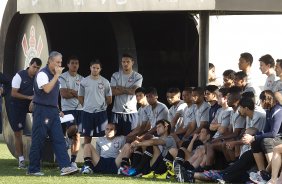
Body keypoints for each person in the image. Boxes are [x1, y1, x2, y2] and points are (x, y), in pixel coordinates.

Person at [28, 51, 78, 176]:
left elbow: (54, 96)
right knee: (38, 140)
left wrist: (58, 109)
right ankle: (33, 169)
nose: (60, 64)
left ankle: (65, 167)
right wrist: (57, 76)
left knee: (59, 139)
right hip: (41, 111)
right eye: (57, 62)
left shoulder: (55, 75)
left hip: (53, 111)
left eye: (61, 62)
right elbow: (46, 89)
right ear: (50, 61)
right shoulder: (42, 74)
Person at [10, 58, 42, 168]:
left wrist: (32, 100)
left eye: (38, 68)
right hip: (17, 105)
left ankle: (36, 158)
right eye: (34, 67)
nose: (35, 70)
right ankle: (21, 159)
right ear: (29, 65)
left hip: (31, 104)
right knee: (18, 133)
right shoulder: (19, 75)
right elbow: (13, 93)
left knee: (39, 127)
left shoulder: (39, 77)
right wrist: (28, 97)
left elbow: (41, 92)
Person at [78, 60, 112, 144]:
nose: (95, 70)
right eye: (93, 67)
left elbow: (109, 99)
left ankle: (102, 156)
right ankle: (87, 156)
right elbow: (80, 97)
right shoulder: (84, 81)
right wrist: (86, 106)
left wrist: (103, 107)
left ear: (100, 69)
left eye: (97, 68)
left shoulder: (105, 82)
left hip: (101, 113)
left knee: (102, 137)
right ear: (90, 68)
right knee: (87, 137)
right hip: (87, 113)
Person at [59, 56, 84, 169]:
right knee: (73, 128)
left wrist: (72, 92)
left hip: (80, 109)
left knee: (77, 136)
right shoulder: (63, 77)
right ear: (68, 65)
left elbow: (84, 96)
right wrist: (76, 94)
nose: (75, 65)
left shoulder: (83, 79)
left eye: (77, 63)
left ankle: (73, 161)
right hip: (67, 109)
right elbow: (64, 94)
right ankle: (68, 139)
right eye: (72, 63)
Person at [110, 53, 143, 136]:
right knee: (115, 138)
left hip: (131, 112)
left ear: (132, 62)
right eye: (123, 62)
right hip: (116, 112)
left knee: (130, 138)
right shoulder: (115, 75)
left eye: (128, 62)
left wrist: (120, 88)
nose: (125, 64)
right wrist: (129, 89)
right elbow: (112, 92)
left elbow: (134, 92)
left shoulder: (138, 76)